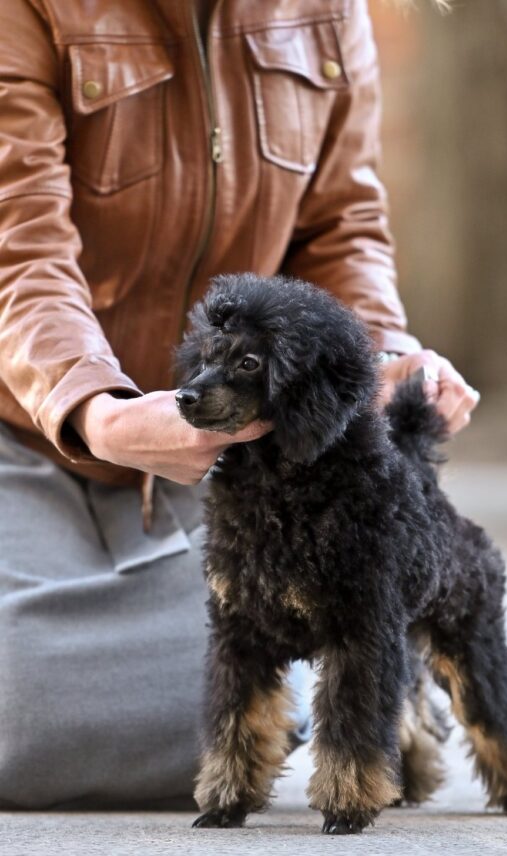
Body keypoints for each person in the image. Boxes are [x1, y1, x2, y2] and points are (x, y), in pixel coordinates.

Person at [0, 0, 478, 808]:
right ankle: (362, 678)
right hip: (29, 423)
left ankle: (338, 667)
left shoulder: (329, 11)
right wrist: (101, 409)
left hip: (236, 445)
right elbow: (21, 249)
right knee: (30, 723)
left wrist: (383, 355)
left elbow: (342, 229)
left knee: (273, 621)